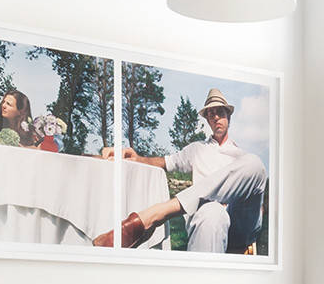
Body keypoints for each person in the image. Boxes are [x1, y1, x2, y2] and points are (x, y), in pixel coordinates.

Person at [94, 87, 264, 253]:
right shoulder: (197, 149)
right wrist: (136, 158)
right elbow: (167, 162)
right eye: (211, 114)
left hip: (238, 225)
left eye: (220, 112)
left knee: (255, 164)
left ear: (229, 116)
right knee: (213, 211)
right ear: (207, 120)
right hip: (207, 220)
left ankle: (156, 214)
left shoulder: (241, 156)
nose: (216, 117)